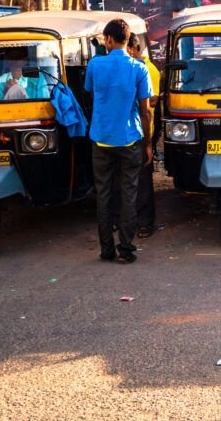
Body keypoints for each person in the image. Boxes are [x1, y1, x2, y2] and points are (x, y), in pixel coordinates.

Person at [85, 19, 153, 264]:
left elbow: (92, 94)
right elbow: (146, 111)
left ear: (110, 40)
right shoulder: (139, 68)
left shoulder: (95, 65)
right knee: (129, 194)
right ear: (127, 41)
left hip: (101, 139)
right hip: (130, 139)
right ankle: (126, 249)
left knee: (103, 195)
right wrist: (148, 143)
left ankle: (106, 250)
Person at [127, 33, 160, 238]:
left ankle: (145, 222)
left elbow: (152, 102)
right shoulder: (131, 68)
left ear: (132, 48)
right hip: (132, 129)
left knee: (142, 178)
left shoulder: (148, 69)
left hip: (144, 129)